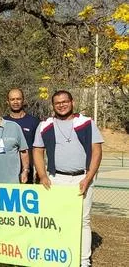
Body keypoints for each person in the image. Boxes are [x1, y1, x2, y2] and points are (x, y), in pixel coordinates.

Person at [33, 90, 103, 267]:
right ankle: (60, 256)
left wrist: (88, 178)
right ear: (53, 105)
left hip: (82, 178)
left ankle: (83, 261)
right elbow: (38, 151)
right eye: (57, 103)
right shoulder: (45, 125)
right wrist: (42, 175)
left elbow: (97, 152)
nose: (61, 105)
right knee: (56, 219)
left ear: (72, 102)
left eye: (65, 101)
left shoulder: (86, 123)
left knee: (83, 221)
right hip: (56, 179)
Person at [3, 88, 40, 183]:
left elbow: (39, 148)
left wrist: (39, 170)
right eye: (12, 99)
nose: (15, 102)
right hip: (7, 169)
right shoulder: (2, 122)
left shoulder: (34, 122)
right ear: (8, 102)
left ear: (23, 100)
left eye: (18, 99)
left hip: (27, 170)